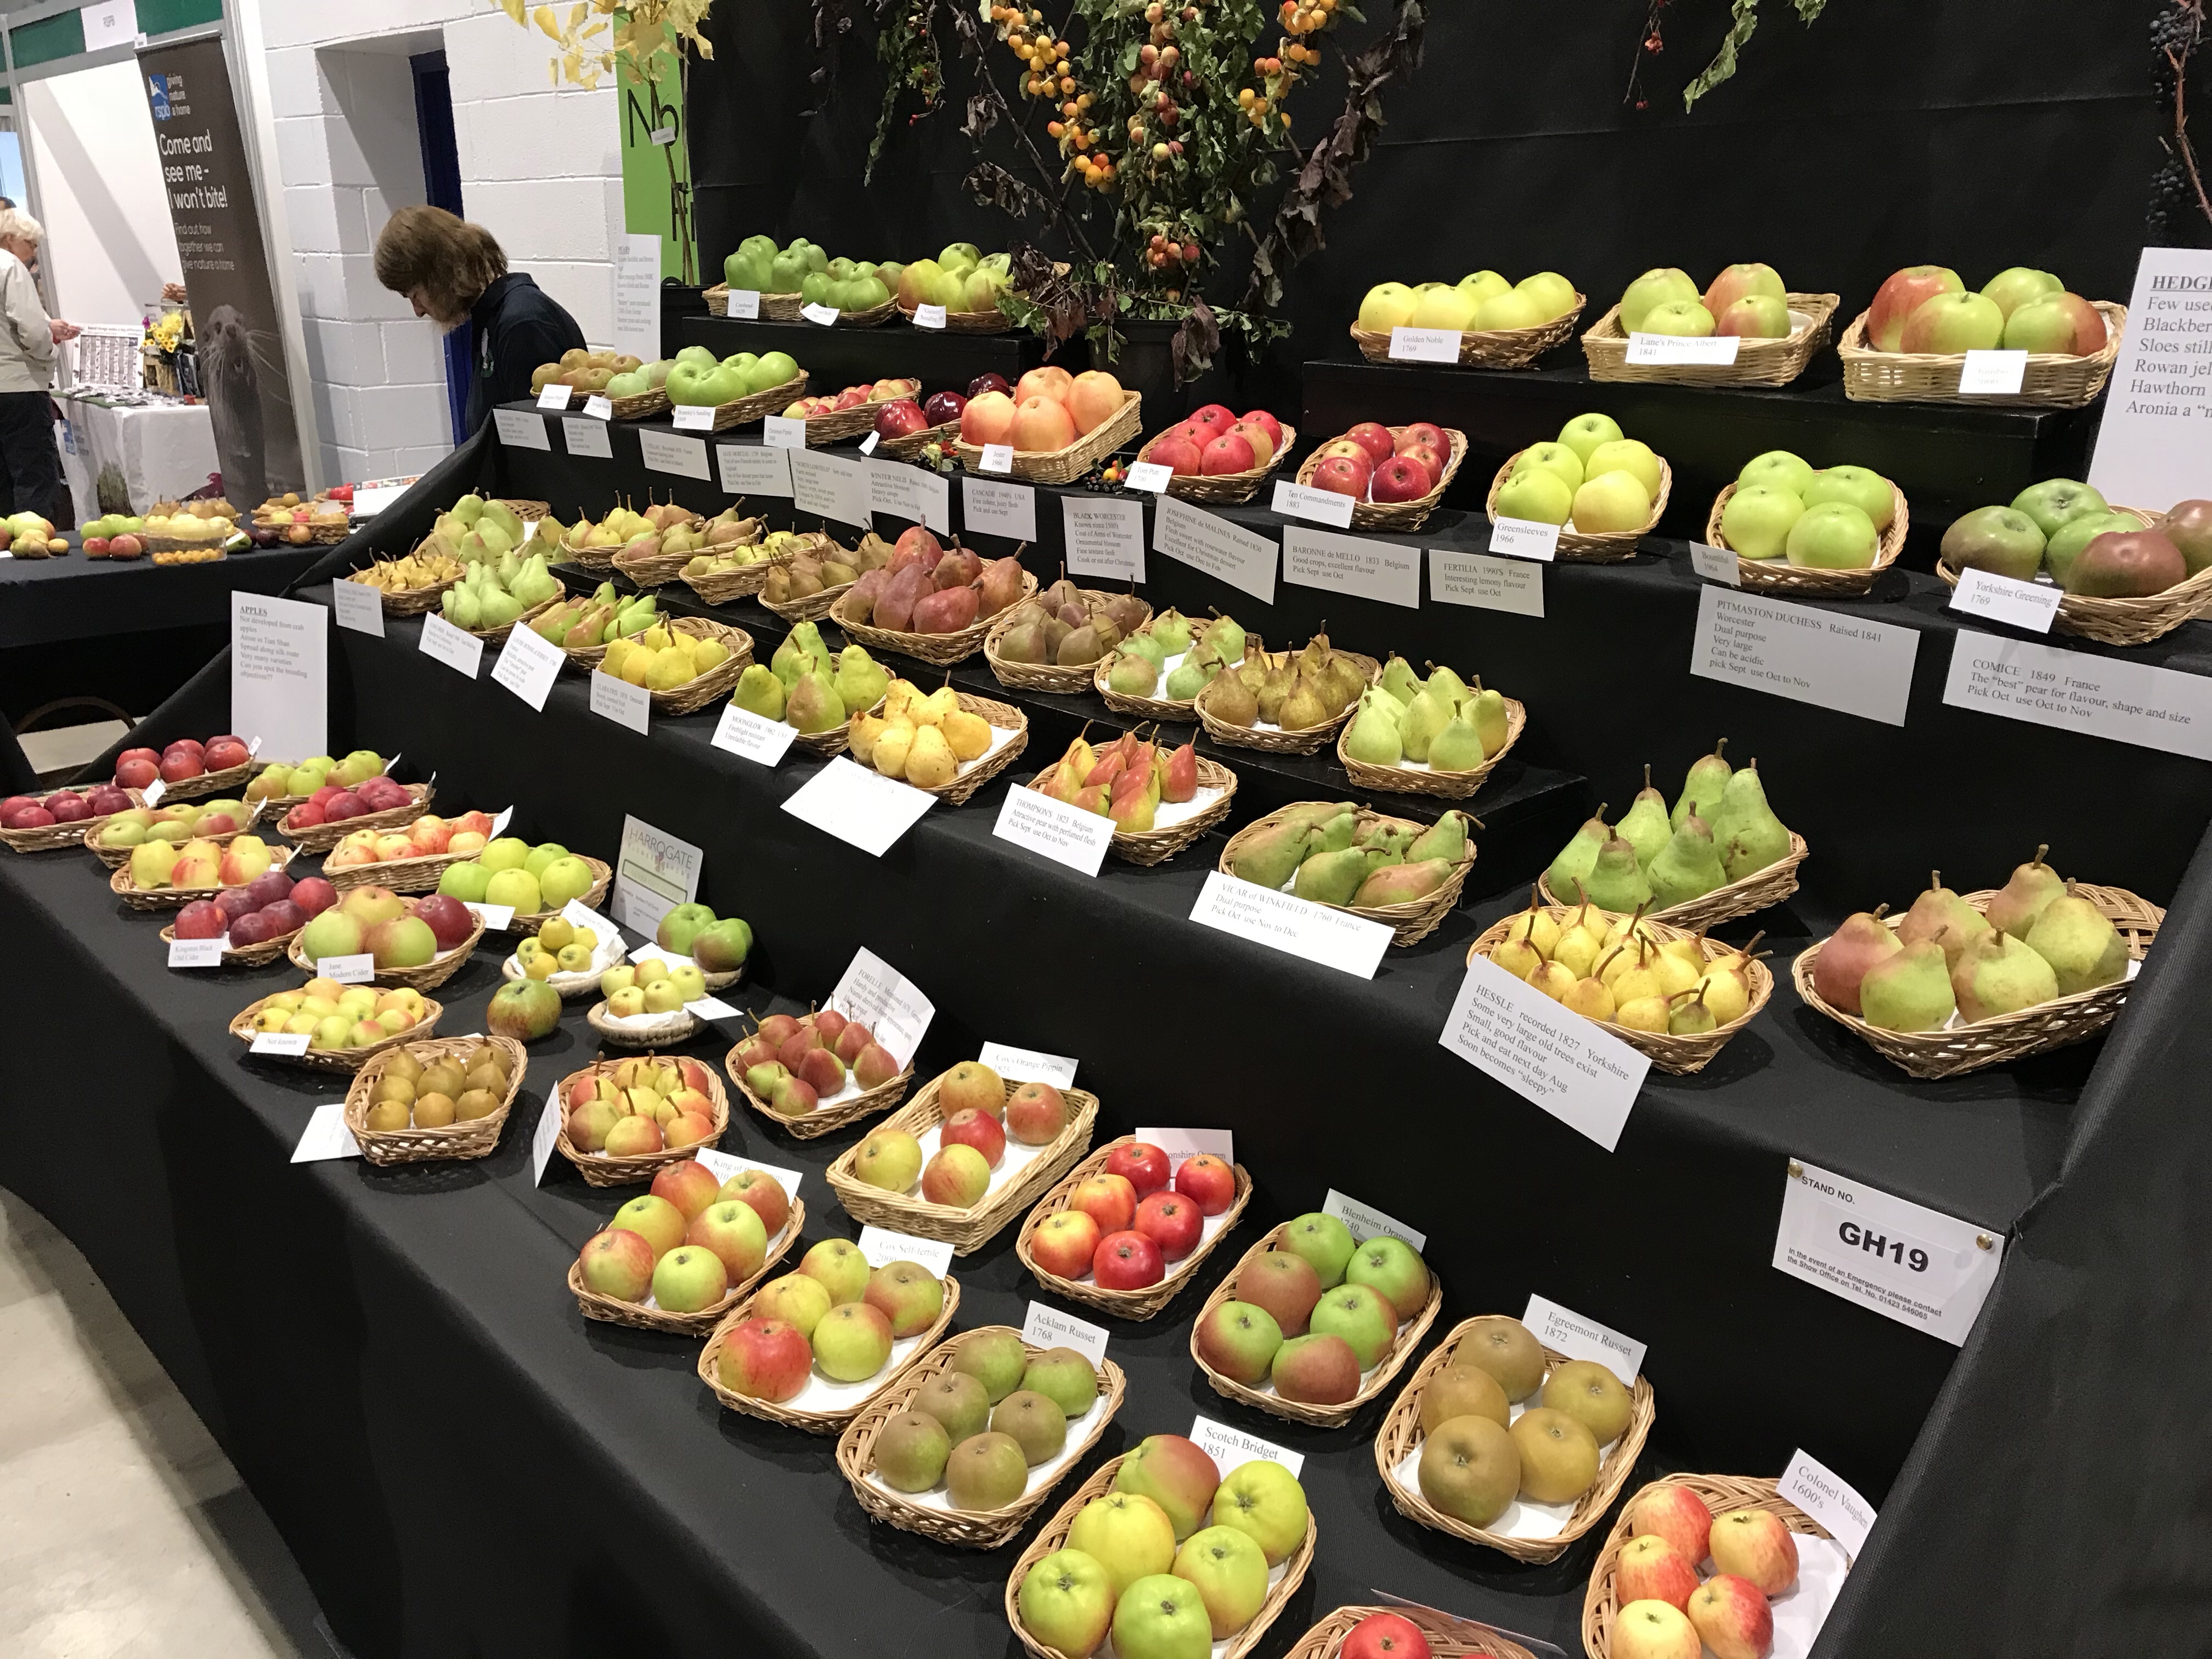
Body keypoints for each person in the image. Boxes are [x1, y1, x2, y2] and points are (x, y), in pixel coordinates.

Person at [372, 206, 584, 432]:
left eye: (415, 296)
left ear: (439, 274)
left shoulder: (521, 324)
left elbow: (538, 441)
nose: (418, 311)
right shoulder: (490, 320)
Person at [0, 207, 76, 524]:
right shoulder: (10, 267)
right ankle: (36, 546)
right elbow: (31, 330)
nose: (32, 252)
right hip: (19, 386)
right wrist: (49, 353)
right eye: (29, 243)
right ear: (8, 239)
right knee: (34, 476)